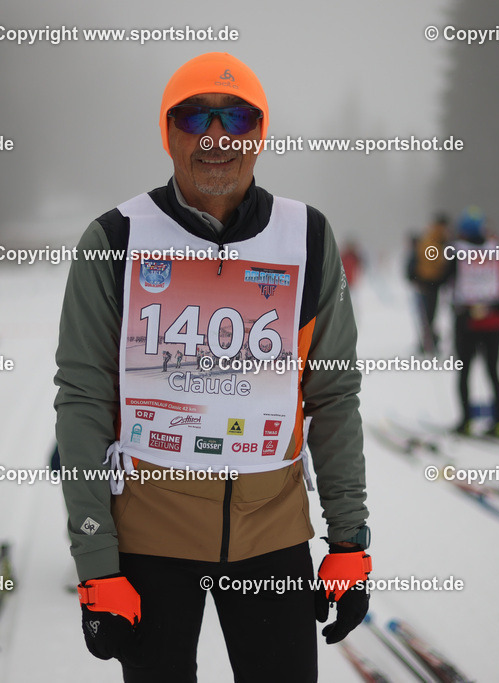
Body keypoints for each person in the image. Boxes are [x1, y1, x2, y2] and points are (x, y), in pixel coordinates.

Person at [55, 52, 370, 683]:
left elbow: (332, 394)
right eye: (195, 117)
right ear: (168, 133)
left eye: (236, 117)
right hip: (150, 543)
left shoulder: (305, 235)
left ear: (260, 133)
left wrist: (349, 542)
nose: (216, 136)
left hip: (272, 537)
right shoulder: (115, 239)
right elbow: (83, 398)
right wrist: (97, 565)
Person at [445, 208, 499, 437]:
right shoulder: (495, 248)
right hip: (494, 318)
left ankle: (466, 421)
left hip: (467, 318)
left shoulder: (456, 251)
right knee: (493, 371)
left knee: (465, 371)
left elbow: (443, 278)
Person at [411, 214, 450, 354]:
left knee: (427, 315)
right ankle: (430, 342)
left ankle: (428, 342)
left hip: (424, 282)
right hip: (432, 282)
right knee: (430, 315)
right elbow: (439, 261)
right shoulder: (439, 238)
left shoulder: (428, 237)